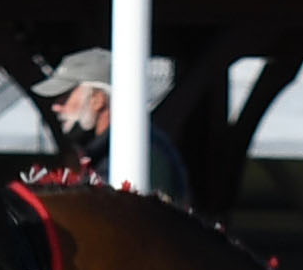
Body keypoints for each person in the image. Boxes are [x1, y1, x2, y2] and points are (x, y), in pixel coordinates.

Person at [28, 48, 189, 203]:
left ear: (98, 99)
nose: (55, 106)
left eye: (65, 96)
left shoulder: (140, 154)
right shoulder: (105, 151)